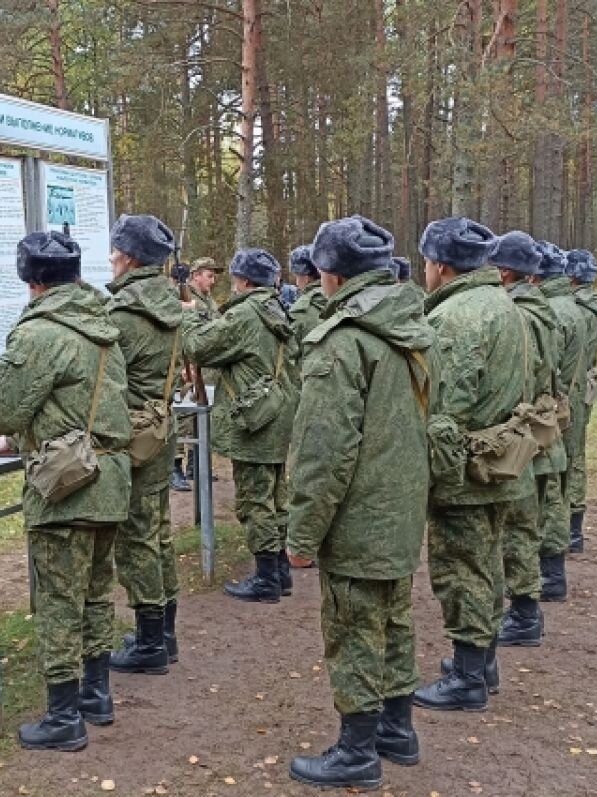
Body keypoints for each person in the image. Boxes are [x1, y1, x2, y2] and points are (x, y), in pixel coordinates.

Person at [0, 231, 132, 752]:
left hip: (67, 488)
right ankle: (96, 696)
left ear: (32, 281)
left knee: (58, 601)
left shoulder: (39, 335)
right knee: (97, 594)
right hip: (110, 477)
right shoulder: (103, 324)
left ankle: (62, 717)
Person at [285, 216, 435, 789]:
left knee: (352, 629)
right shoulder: (413, 329)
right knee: (394, 620)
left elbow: (324, 452)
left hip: (358, 516)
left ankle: (356, 750)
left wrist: (301, 537)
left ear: (329, 273)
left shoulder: (343, 343)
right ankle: (397, 730)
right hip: (399, 507)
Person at [413, 216, 531, 713]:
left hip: (465, 468)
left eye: (425, 260)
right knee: (485, 562)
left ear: (439, 265)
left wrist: (432, 479)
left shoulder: (457, 317)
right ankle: (480, 662)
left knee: (462, 568)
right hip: (499, 457)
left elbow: (446, 408)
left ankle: (468, 677)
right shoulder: (501, 304)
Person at [183, 248, 300, 603]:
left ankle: (266, 578)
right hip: (277, 412)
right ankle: (280, 571)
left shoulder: (247, 313)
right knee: (276, 497)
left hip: (256, 419)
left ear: (244, 281)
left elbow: (200, 347)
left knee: (254, 500)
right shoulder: (275, 307)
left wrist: (189, 318)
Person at [104, 214, 184, 676]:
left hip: (130, 436)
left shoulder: (121, 315)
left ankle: (151, 641)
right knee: (158, 531)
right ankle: (164, 632)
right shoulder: (171, 305)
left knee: (136, 537)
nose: (111, 259)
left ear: (130, 258)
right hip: (160, 427)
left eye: (116, 252)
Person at [489, 231, 568, 649]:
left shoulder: (517, 313)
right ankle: (525, 609)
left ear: (504, 271)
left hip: (524, 432)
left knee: (518, 526)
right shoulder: (544, 309)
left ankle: (523, 614)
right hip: (541, 427)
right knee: (529, 521)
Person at [531, 241, 588, 600]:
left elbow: (545, 369)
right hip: (569, 405)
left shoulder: (551, 312)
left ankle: (550, 574)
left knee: (549, 491)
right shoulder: (570, 306)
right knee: (559, 486)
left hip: (552, 410)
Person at [566, 249, 597, 552]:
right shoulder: (591, 307)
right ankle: (573, 530)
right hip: (585, 386)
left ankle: (570, 529)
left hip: (573, 388)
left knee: (569, 459)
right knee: (576, 456)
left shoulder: (577, 309)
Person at [171, 256, 223, 492]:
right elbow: (178, 331)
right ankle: (175, 467)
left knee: (200, 418)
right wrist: (183, 364)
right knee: (182, 421)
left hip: (205, 368)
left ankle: (195, 463)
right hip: (186, 366)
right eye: (209, 275)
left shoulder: (208, 301)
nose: (213, 281)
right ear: (195, 275)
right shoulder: (182, 298)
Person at [286, 245, 328, 349]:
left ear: (305, 277)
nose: (296, 282)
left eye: (297, 276)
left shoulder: (300, 310)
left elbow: (289, 352)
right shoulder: (339, 296)